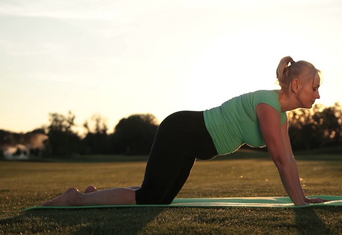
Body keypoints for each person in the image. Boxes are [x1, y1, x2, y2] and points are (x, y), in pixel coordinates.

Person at [43, 56, 327, 206]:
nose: (317, 95)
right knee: (149, 198)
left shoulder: (281, 118)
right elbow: (279, 159)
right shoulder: (267, 106)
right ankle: (75, 198)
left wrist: (302, 199)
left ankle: (95, 196)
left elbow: (289, 159)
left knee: (159, 199)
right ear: (296, 86)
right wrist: (300, 203)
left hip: (190, 143)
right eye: (314, 87)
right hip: (181, 132)